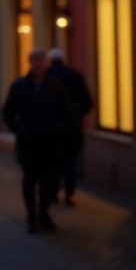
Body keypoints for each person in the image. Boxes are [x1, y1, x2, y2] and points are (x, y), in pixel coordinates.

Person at [3, 48, 70, 234]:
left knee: (48, 181)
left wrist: (58, 129)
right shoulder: (19, 86)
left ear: (46, 64)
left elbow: (65, 113)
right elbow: (8, 112)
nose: (38, 64)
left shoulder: (56, 87)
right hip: (28, 143)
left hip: (50, 143)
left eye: (41, 61)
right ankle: (31, 216)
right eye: (35, 61)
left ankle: (44, 213)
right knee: (30, 180)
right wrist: (18, 129)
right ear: (30, 63)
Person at [46, 48, 93, 207]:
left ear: (50, 60)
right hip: (72, 127)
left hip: (51, 128)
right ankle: (69, 195)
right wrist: (76, 113)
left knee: (52, 162)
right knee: (70, 163)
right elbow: (87, 103)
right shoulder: (75, 75)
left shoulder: (46, 76)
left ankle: (53, 193)